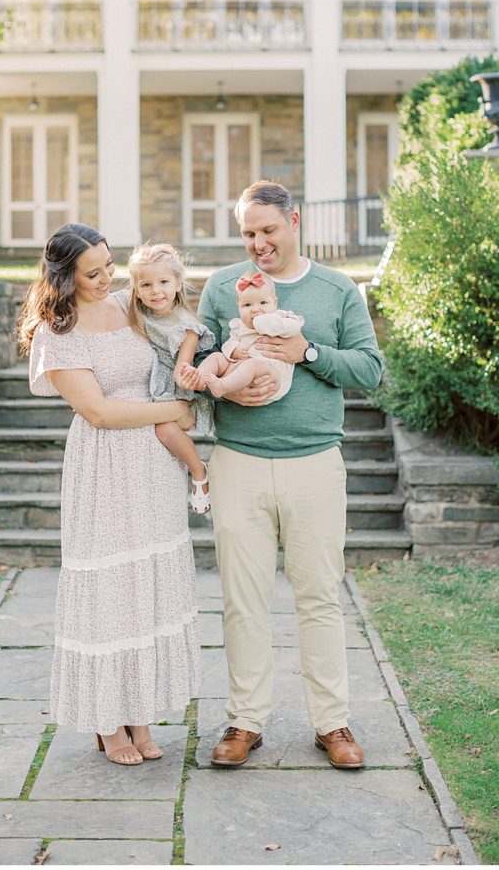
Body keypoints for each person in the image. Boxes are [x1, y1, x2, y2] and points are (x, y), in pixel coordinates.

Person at [192, 181, 383, 769]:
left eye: (268, 230)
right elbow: (197, 360)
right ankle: (245, 722)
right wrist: (222, 378)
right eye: (248, 233)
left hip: (314, 464)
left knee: (319, 596)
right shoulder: (224, 287)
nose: (258, 244)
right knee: (241, 599)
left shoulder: (336, 289)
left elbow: (371, 370)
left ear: (294, 221)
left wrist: (307, 353)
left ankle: (333, 724)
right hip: (239, 463)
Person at [17, 223, 200, 766]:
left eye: (109, 266)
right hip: (104, 465)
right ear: (64, 277)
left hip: (154, 466)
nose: (106, 279)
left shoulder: (130, 303)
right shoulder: (59, 330)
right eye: (92, 273)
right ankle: (105, 721)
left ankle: (138, 711)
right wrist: (173, 411)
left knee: (147, 584)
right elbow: (97, 411)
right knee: (110, 586)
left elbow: (186, 324)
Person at [128, 241, 215, 514]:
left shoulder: (186, 325)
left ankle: (199, 472)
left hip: (177, 388)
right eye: (146, 285)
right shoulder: (135, 313)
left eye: (164, 282)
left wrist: (186, 378)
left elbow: (182, 367)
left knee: (164, 429)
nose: (156, 291)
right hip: (147, 381)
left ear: (178, 283)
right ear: (137, 290)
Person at [180, 270, 304, 402]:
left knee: (253, 364)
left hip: (270, 375)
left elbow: (294, 329)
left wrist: (266, 323)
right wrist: (235, 350)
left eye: (263, 303)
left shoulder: (281, 317)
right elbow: (228, 345)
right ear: (238, 307)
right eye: (247, 305)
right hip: (239, 369)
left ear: (274, 303)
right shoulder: (239, 326)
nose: (255, 309)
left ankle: (222, 386)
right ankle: (199, 378)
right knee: (217, 357)